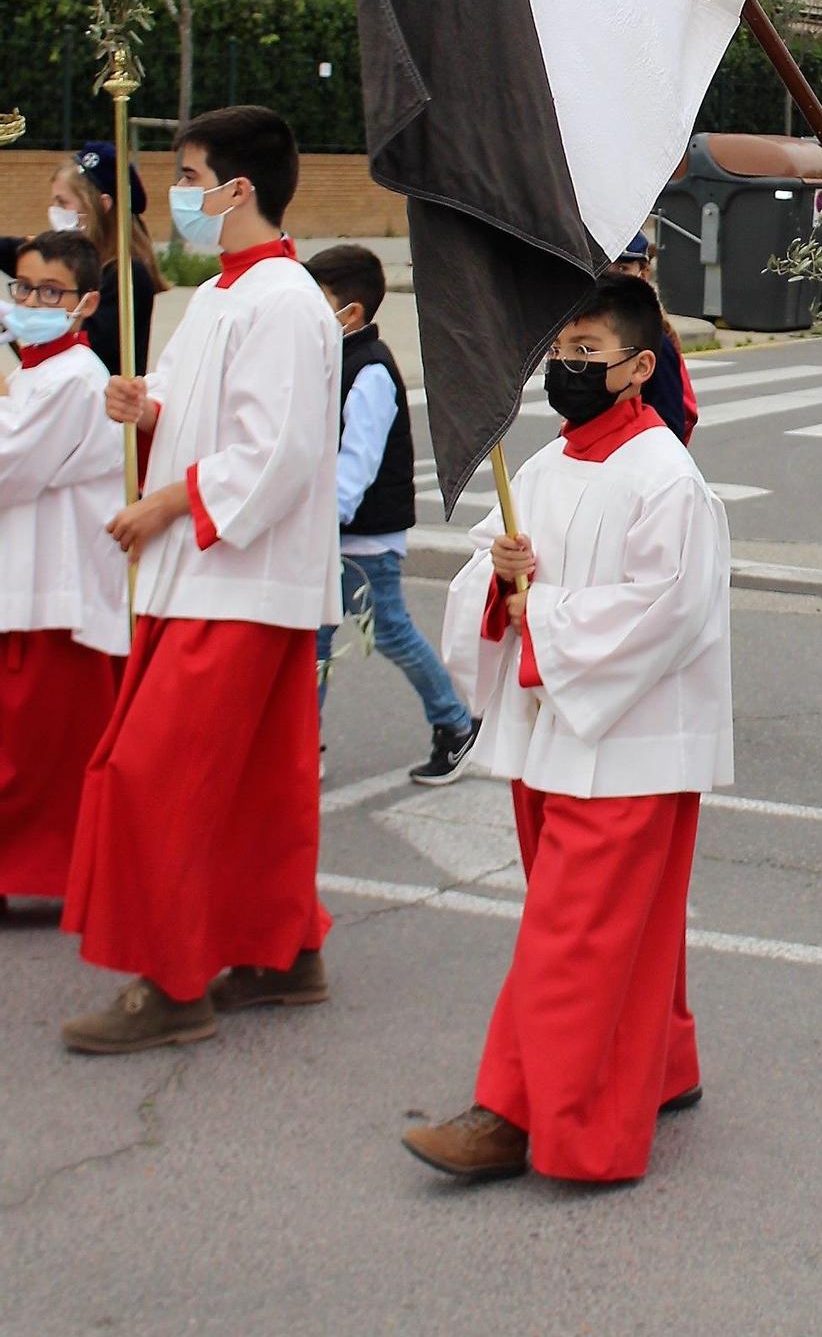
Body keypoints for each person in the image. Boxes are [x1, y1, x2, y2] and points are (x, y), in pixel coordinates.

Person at [405, 276, 731, 1185]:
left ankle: (524, 1114)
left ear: (638, 368)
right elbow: (485, 576)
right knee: (620, 922)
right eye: (560, 350)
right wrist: (501, 581)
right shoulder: (546, 466)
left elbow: (665, 613)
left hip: (625, 744)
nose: (567, 367)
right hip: (558, 731)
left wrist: (538, 610)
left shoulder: (666, 479)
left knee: (570, 937)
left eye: (588, 354)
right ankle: (661, 1063)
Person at [59, 105, 342, 1054]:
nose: (179, 196)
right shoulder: (221, 297)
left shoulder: (288, 302)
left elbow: (280, 452)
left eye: (188, 177)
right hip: (206, 578)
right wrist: (142, 407)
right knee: (255, 787)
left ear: (237, 189)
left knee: (157, 777)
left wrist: (165, 503)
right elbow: (195, 418)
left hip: (240, 579)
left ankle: (173, 983)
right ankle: (282, 949)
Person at [307, 244, 480, 786]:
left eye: (317, 301)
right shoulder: (333, 361)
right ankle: (301, 747)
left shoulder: (370, 371)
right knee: (310, 642)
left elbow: (355, 465)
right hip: (333, 536)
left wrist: (322, 520)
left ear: (350, 312)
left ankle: (455, 725)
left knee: (389, 632)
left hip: (363, 537)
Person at [0, 232, 127, 912]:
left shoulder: (74, 378)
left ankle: (53, 872)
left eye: (48, 293)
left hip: (55, 590)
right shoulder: (36, 370)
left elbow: (8, 466)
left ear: (84, 304)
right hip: (27, 581)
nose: (30, 302)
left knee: (36, 757)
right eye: (21, 287)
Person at [0, 142, 166, 374]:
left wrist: (20, 320)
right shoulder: (74, 257)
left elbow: (89, 350)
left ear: (102, 205)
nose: (55, 210)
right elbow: (8, 251)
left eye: (62, 202)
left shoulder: (126, 274)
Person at [611, 232, 698, 442]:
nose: (611, 278)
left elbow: (670, 424)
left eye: (623, 269)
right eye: (604, 268)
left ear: (644, 273)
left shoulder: (657, 343)